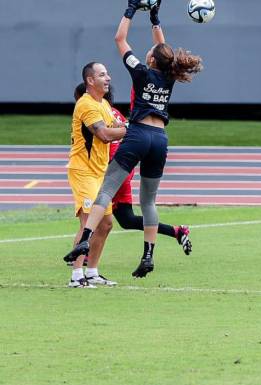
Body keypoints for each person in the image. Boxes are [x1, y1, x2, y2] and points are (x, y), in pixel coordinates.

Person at [63, 0, 202, 277]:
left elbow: (120, 38)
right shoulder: (169, 75)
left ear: (150, 59)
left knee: (106, 189)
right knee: (148, 202)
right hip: (160, 139)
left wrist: (130, 9)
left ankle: (85, 239)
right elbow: (166, 52)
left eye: (151, 51)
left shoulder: (141, 71)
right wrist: (155, 19)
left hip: (137, 133)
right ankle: (148, 255)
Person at [72, 83, 193, 256]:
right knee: (126, 219)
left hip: (109, 171)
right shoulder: (114, 113)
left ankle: (81, 257)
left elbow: (105, 137)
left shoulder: (95, 112)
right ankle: (176, 231)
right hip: (124, 170)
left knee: (90, 215)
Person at [67, 62, 127, 287]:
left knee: (105, 224)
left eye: (108, 74)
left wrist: (124, 127)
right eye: (102, 74)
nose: (108, 78)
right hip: (84, 171)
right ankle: (76, 275)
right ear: (90, 80)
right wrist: (128, 129)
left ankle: (92, 271)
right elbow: (104, 134)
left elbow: (116, 126)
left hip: (100, 172)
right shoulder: (86, 104)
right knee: (88, 223)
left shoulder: (103, 104)